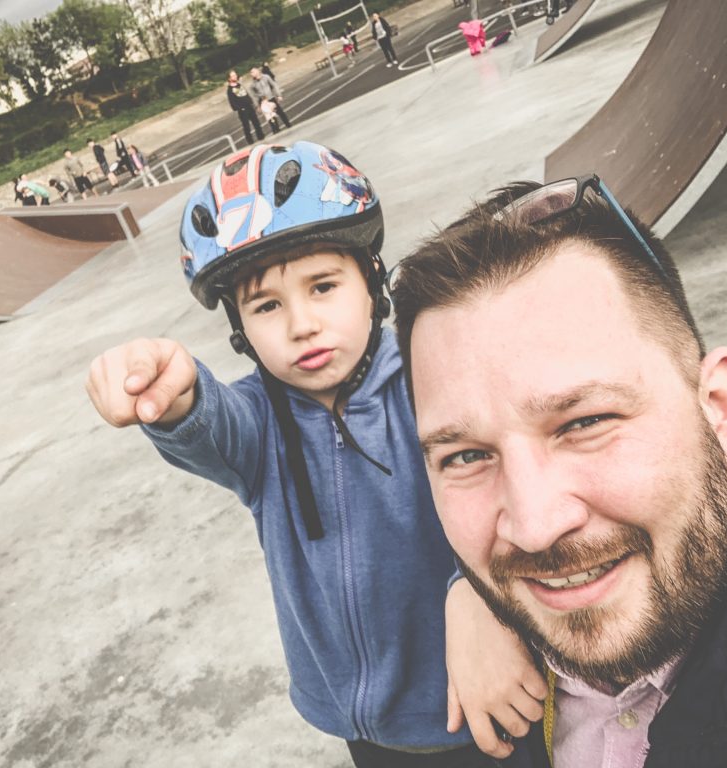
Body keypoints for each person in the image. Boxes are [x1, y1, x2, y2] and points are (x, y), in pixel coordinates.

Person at [86, 142, 542, 767]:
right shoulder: (259, 426)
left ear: (372, 281)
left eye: (323, 286)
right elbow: (207, 418)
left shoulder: (434, 384)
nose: (301, 324)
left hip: (486, 706)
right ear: (240, 330)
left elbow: (520, 506)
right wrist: (171, 388)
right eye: (266, 305)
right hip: (365, 730)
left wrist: (486, 599)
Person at [390, 176, 727, 767]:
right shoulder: (465, 669)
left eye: (585, 422)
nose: (534, 526)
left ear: (722, 411)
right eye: (466, 456)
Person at [226, 70, 264, 145]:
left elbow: (247, 94)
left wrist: (252, 102)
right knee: (246, 125)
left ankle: (261, 136)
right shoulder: (230, 90)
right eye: (233, 76)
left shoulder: (240, 85)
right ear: (229, 78)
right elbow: (232, 102)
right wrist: (239, 108)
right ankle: (250, 140)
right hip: (242, 109)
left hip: (249, 106)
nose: (235, 76)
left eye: (235, 75)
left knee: (256, 122)